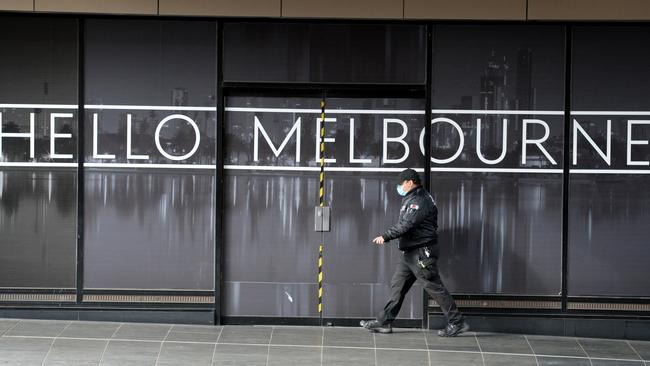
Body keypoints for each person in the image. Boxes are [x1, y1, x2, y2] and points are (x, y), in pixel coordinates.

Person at [360, 168, 468, 337]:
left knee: (434, 288)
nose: (399, 187)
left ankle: (456, 321)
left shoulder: (418, 200)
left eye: (401, 184)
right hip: (410, 254)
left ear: (410, 182)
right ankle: (384, 322)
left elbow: (406, 225)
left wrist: (385, 236)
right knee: (398, 287)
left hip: (421, 253)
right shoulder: (412, 197)